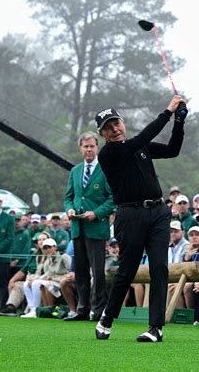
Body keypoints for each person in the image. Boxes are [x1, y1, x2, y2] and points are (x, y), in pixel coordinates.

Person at [94, 95, 186, 343]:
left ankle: (156, 327)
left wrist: (179, 122)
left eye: (116, 124)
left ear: (122, 123)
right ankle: (108, 317)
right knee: (127, 270)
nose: (115, 130)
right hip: (129, 215)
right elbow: (140, 139)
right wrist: (167, 112)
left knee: (159, 268)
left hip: (157, 212)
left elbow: (172, 150)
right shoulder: (109, 153)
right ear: (103, 135)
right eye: (108, 128)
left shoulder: (139, 146)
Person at [64, 131, 115, 322]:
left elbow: (113, 199)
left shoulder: (106, 169)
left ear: (97, 147)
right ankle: (82, 309)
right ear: (80, 148)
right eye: (85, 146)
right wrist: (69, 210)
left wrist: (96, 213)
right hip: (77, 228)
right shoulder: (75, 171)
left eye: (92, 146)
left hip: (97, 228)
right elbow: (68, 197)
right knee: (81, 271)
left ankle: (98, 310)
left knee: (98, 272)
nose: (89, 150)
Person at [21, 238, 71, 318]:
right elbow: (47, 274)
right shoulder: (48, 260)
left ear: (55, 247)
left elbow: (70, 272)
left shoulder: (64, 257)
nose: (47, 250)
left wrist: (53, 278)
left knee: (44, 284)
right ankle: (38, 309)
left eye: (49, 247)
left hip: (63, 281)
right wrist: (35, 279)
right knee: (32, 283)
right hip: (52, 282)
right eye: (45, 248)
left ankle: (48, 309)